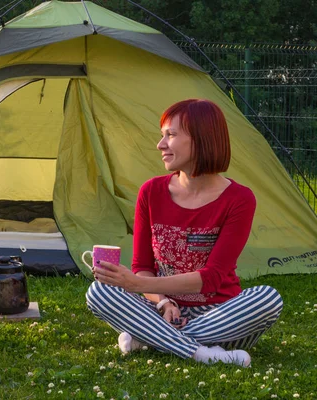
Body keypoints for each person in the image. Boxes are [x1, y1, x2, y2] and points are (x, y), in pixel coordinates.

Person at [86, 99, 283, 367]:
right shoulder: (151, 192)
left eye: (171, 135)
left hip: (220, 314)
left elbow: (211, 279)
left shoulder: (239, 199)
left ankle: (151, 337)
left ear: (202, 139)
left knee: (268, 299)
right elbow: (143, 266)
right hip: (162, 309)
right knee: (99, 291)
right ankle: (201, 352)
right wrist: (163, 302)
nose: (160, 144)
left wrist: (136, 284)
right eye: (162, 135)